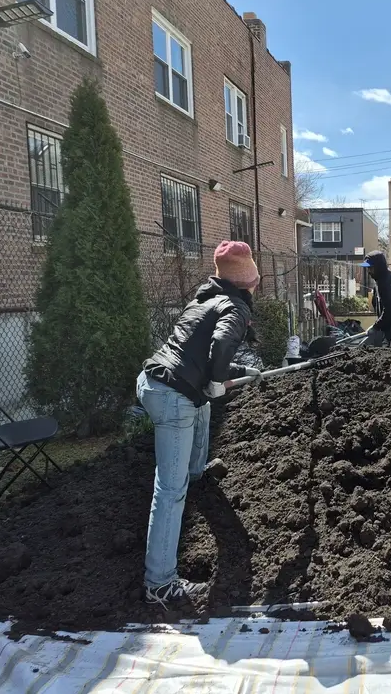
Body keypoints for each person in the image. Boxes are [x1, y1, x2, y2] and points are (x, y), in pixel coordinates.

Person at [137, 240, 262, 606]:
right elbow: (220, 345)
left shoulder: (204, 298)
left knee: (203, 407)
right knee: (169, 491)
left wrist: (239, 371)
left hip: (155, 380)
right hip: (172, 397)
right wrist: (215, 380)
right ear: (247, 280)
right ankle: (159, 584)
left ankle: (197, 473)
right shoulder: (235, 307)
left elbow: (199, 351)